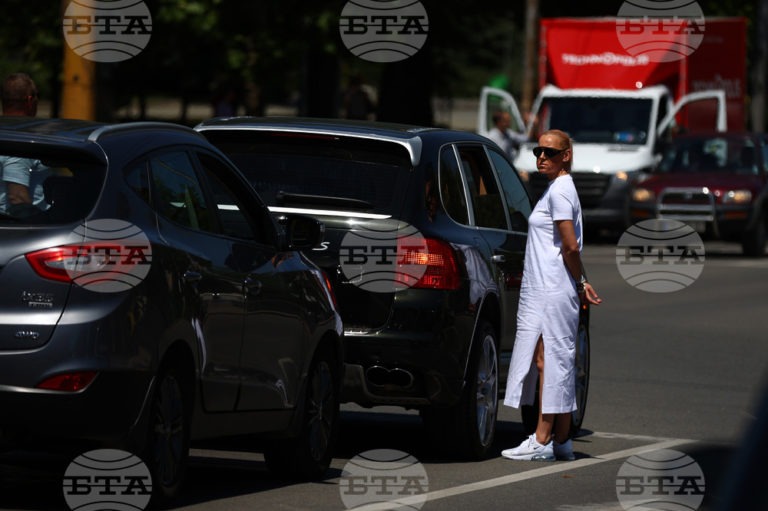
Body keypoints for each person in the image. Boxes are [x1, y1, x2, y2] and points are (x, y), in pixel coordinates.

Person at [501, 129, 602, 462]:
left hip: (553, 288)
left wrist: (580, 280)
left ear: (566, 156)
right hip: (551, 287)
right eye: (537, 151)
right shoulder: (560, 189)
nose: (541, 157)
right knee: (552, 361)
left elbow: (570, 244)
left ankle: (542, 438)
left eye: (549, 151)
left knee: (551, 362)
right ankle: (561, 440)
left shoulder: (559, 191)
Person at [0, 73, 49, 216]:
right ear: (29, 100)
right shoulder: (22, 140)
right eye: (37, 96)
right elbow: (17, 197)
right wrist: (37, 226)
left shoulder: (5, 134)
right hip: (23, 229)